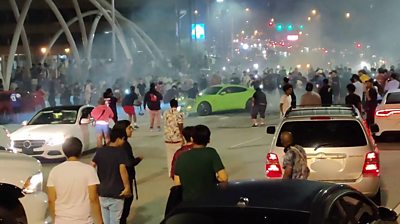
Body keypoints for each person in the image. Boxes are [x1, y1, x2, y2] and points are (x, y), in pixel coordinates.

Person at [47, 137, 103, 224]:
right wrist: (100, 221)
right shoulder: (89, 170)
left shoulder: (54, 171)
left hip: (61, 220)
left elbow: (51, 200)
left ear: (64, 151)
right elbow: (93, 199)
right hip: (84, 220)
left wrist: (54, 220)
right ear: (80, 151)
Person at [174, 125, 228, 202]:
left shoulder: (182, 156)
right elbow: (224, 178)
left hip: (188, 202)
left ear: (192, 139)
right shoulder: (211, 153)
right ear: (208, 140)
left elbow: (177, 183)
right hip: (209, 199)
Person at [92, 129, 132, 224]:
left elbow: (92, 165)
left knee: (106, 220)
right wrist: (127, 187)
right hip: (116, 192)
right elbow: (123, 170)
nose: (123, 142)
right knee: (115, 220)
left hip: (102, 191)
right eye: (123, 139)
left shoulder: (100, 151)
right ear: (119, 139)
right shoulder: (120, 152)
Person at [112, 120, 143, 224]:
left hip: (115, 180)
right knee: (125, 204)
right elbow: (128, 163)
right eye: (129, 128)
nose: (131, 130)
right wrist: (138, 159)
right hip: (124, 179)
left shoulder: (113, 144)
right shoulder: (124, 145)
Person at [163, 99, 184, 175]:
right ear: (177, 105)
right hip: (177, 138)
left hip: (168, 138)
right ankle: (178, 173)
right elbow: (180, 125)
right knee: (178, 157)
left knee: (170, 157)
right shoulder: (179, 113)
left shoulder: (165, 113)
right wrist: (182, 136)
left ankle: (170, 172)